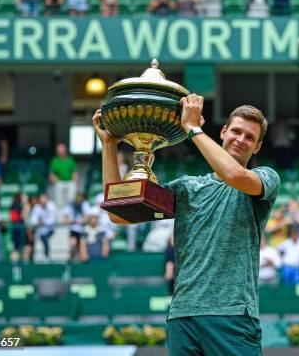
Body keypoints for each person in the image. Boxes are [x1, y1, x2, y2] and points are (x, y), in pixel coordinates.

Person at [94, 96, 280, 355]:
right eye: (236, 131)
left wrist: (193, 129)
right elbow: (120, 214)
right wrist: (108, 145)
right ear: (224, 132)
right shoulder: (187, 187)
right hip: (183, 314)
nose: (241, 139)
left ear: (257, 147)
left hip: (233, 315)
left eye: (250, 137)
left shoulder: (266, 178)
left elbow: (234, 175)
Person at [49, 143, 78, 212]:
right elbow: (52, 174)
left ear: (65, 149)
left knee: (71, 200)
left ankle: (70, 216)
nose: (60, 150)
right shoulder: (54, 161)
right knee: (59, 202)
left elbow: (74, 173)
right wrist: (55, 182)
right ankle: (60, 220)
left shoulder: (70, 160)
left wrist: (75, 182)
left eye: (62, 148)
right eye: (59, 149)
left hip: (70, 182)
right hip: (60, 182)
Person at [62, 192, 90, 261]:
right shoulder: (70, 205)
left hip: (83, 229)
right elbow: (65, 219)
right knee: (72, 245)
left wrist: (81, 221)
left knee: (82, 245)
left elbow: (87, 218)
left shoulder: (85, 204)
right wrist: (71, 221)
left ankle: (81, 261)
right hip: (73, 229)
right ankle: (72, 260)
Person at [30, 193, 57, 261]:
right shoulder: (37, 207)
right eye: (41, 199)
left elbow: (52, 220)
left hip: (50, 230)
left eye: (44, 199)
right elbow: (33, 220)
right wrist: (39, 222)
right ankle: (45, 256)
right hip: (40, 231)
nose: (43, 201)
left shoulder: (52, 206)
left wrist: (42, 222)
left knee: (45, 237)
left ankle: (47, 256)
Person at [9, 193, 31, 263]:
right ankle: (24, 264)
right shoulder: (20, 206)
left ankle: (15, 265)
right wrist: (26, 207)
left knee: (17, 248)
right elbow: (22, 217)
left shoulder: (13, 206)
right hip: (20, 229)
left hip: (16, 229)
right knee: (25, 248)